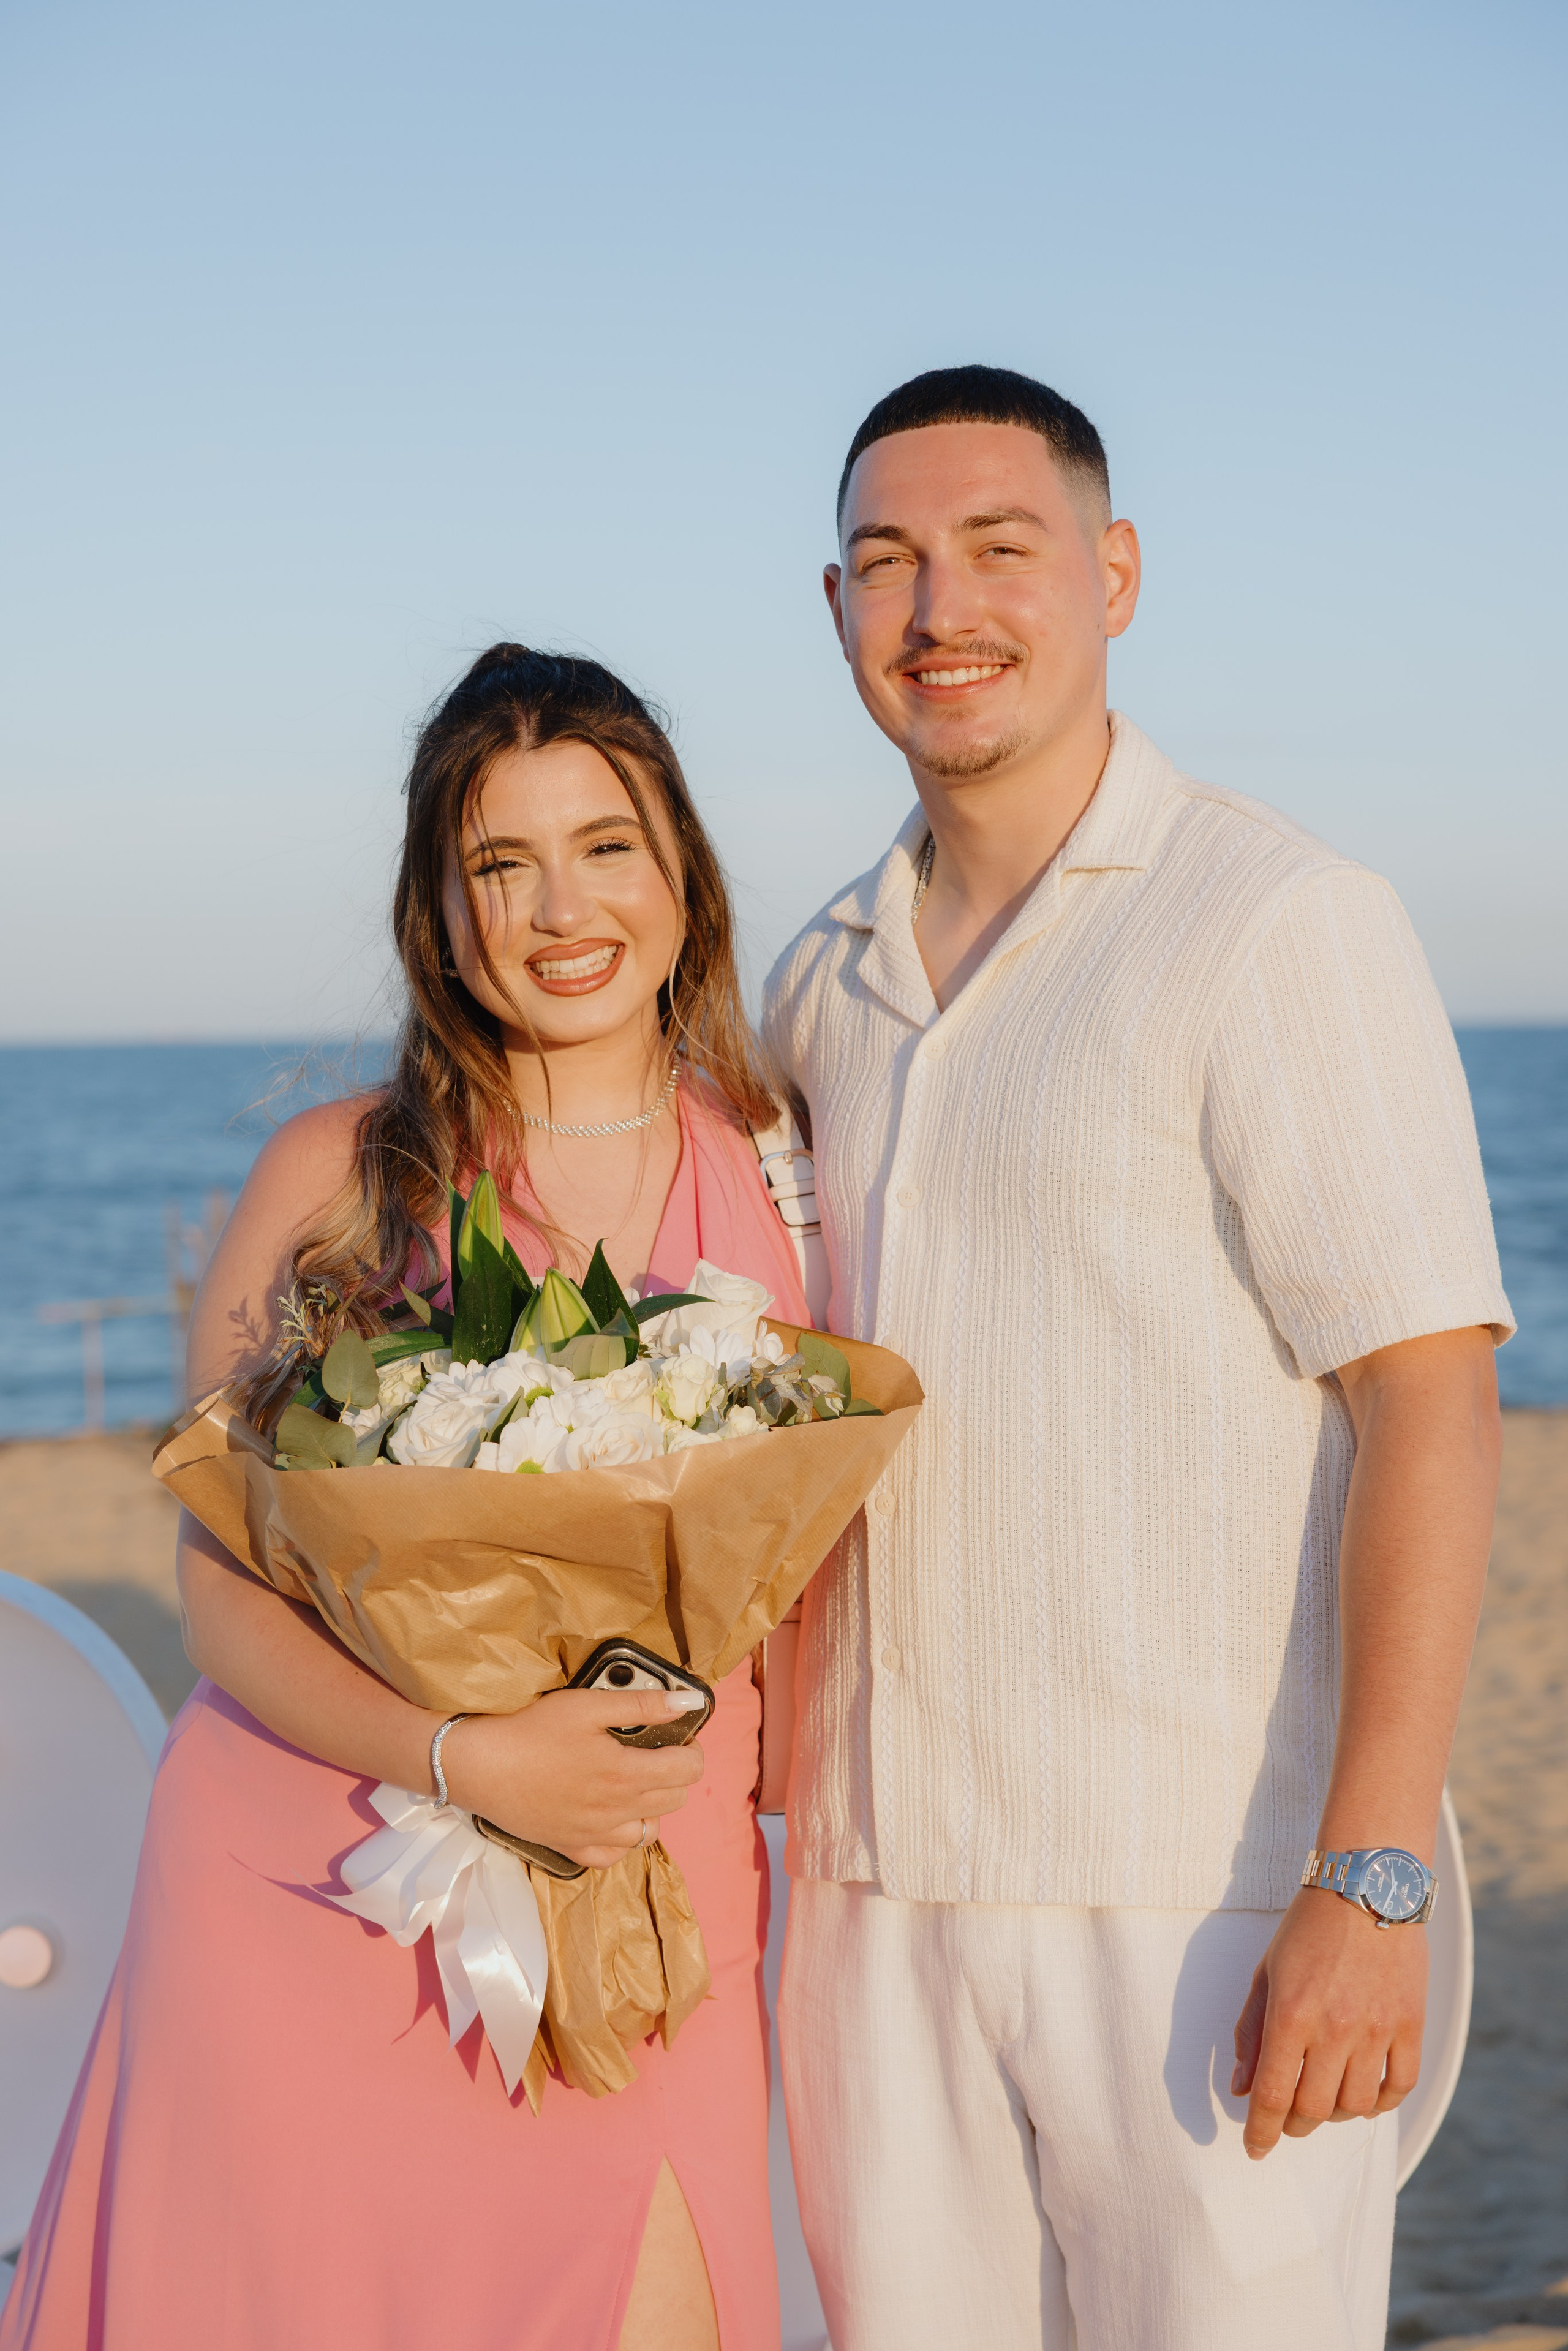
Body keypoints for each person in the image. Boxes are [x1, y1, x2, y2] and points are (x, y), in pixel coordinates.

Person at [764, 366, 1512, 2351]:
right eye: (888, 562)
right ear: (829, 610)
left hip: (1196, 1894)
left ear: (1113, 574)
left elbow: (1430, 1398)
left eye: (1000, 549)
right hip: (860, 1901)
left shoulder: (1279, 922)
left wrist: (1372, 1878)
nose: (942, 608)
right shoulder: (813, 978)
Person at [2, 646, 809, 2351]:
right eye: (498, 864)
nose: (556, 908)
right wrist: (463, 1756)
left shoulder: (792, 1176)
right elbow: (221, 1587)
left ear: (684, 876)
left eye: (606, 844)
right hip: (313, 1881)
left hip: (650, 1891)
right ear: (438, 913)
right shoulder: (332, 1182)